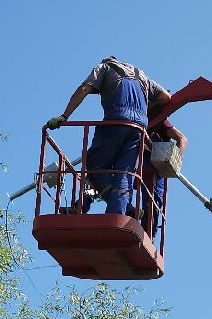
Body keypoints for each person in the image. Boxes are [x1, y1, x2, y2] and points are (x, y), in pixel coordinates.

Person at [46, 57, 170, 219]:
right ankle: (116, 210)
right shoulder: (142, 76)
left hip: (116, 122)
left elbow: (84, 88)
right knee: (123, 173)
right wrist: (142, 110)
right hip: (138, 129)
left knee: (94, 166)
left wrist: (64, 116)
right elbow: (166, 97)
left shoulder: (105, 67)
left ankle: (120, 208)